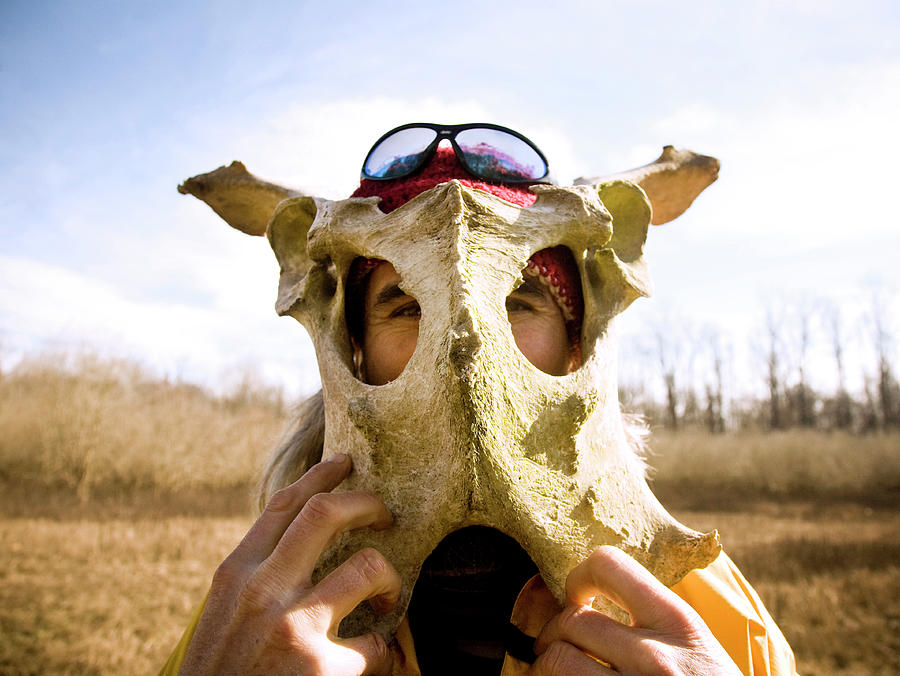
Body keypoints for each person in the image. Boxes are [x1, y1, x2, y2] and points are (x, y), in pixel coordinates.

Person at [163, 125, 796, 675]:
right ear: (354, 349)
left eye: (518, 302)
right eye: (406, 305)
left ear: (576, 343)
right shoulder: (260, 613)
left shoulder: (704, 616)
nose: (466, 345)